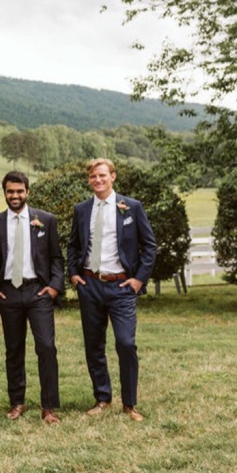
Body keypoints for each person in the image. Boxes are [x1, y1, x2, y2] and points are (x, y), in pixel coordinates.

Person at [66, 158, 156, 422]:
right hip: (90, 285)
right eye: (93, 176)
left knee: (126, 343)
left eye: (102, 175)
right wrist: (73, 274)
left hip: (121, 286)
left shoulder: (132, 208)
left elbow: (149, 246)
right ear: (89, 180)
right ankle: (102, 397)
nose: (98, 180)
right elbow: (73, 245)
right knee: (94, 345)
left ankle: (130, 404)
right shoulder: (82, 210)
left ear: (113, 177)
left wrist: (138, 279)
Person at [0, 171, 63, 425]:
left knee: (47, 347)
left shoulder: (46, 220)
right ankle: (17, 402)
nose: (15, 196)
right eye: (10, 191)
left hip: (38, 292)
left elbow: (56, 259)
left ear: (27, 192)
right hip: (8, 292)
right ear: (4, 193)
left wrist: (53, 287)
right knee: (14, 349)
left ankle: (49, 406)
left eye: (19, 191)